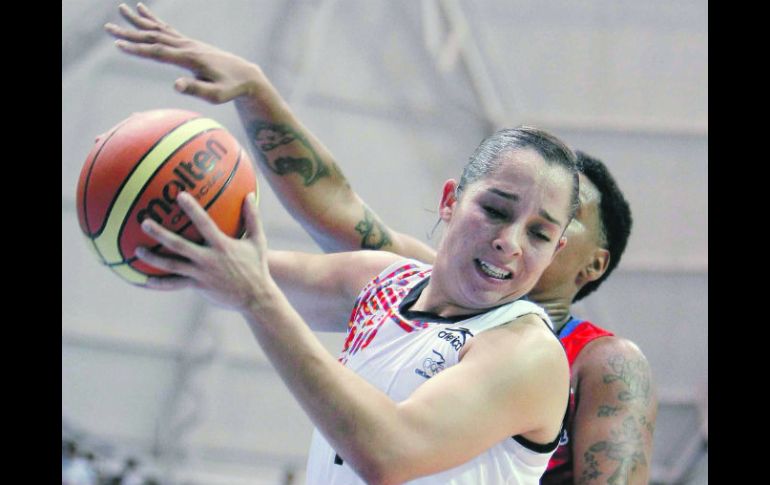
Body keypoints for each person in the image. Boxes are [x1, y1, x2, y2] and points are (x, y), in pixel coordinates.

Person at [105, 4, 657, 483]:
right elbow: (329, 215)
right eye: (494, 209)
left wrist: (257, 298)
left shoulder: (560, 354)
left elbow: (387, 454)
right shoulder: (401, 280)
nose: (509, 242)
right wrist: (253, 92)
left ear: (571, 252)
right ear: (450, 202)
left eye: (542, 229)